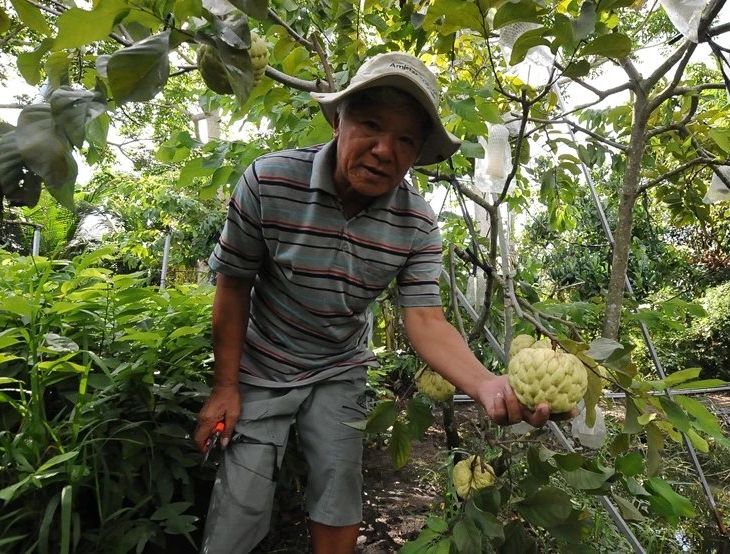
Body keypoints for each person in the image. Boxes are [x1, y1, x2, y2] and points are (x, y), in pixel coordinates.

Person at [195, 52, 556, 554]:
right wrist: (225, 386)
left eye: (406, 139)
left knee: (339, 492)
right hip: (264, 363)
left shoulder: (417, 225)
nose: (385, 150)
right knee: (241, 502)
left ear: (416, 154)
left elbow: (427, 320)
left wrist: (488, 385)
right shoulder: (269, 182)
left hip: (340, 365)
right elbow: (233, 285)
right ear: (339, 120)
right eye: (371, 124)